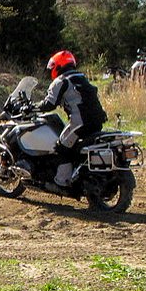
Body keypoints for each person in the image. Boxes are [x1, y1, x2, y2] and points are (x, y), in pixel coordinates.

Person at [35, 50, 108, 190]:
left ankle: (62, 182)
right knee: (76, 148)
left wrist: (33, 107)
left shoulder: (61, 81)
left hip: (80, 122)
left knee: (61, 148)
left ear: (58, 66)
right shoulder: (81, 77)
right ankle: (78, 174)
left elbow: (49, 104)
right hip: (97, 121)